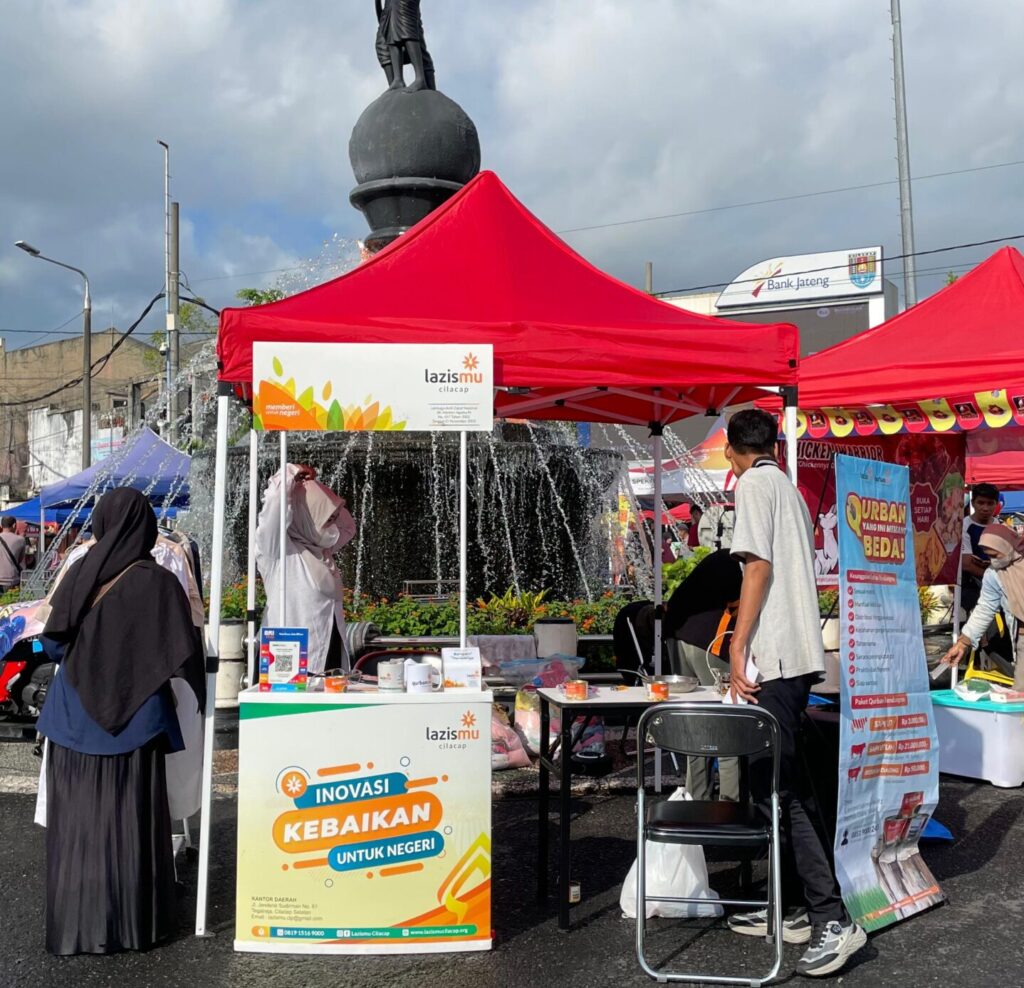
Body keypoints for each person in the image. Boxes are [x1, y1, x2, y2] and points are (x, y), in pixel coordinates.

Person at [723, 409, 866, 979]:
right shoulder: (786, 485)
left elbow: (756, 568)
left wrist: (737, 643)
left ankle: (833, 917)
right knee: (781, 784)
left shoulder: (754, 485)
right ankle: (795, 906)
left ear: (731, 450)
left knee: (779, 790)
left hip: (777, 657)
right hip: (798, 656)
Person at [36, 488, 204, 955]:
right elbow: (183, 652)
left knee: (78, 827)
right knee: (130, 821)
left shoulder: (80, 569)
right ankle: (133, 926)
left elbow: (52, 643)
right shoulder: (160, 582)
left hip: (74, 719)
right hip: (135, 722)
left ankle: (76, 927)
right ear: (146, 526)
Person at [256, 464, 356, 674]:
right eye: (326, 520)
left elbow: (348, 526)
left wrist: (317, 492)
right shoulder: (278, 551)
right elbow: (274, 504)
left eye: (332, 519)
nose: (331, 526)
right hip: (289, 665)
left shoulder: (322, 552)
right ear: (304, 516)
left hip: (327, 658)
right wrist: (292, 472)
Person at [663, 548, 743, 800]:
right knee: (726, 726)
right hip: (709, 644)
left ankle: (696, 800)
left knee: (696, 722)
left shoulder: (721, 558)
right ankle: (731, 805)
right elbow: (746, 608)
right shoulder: (744, 562)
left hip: (676, 636)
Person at [942, 523, 1024, 687]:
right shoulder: (994, 575)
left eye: (996, 555)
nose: (993, 560)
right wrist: (963, 642)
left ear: (1007, 546)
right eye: (988, 555)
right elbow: (985, 608)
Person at [961, 483, 1000, 613]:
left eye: (990, 503)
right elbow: (966, 564)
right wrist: (995, 579)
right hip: (971, 585)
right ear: (973, 503)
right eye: (981, 503)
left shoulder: (1000, 526)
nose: (985, 508)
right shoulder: (964, 526)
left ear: (996, 504)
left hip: (998, 584)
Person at [0, 515, 26, 590]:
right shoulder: (20, 540)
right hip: (12, 579)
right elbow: (20, 560)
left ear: (1, 525)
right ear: (14, 525)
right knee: (12, 598)